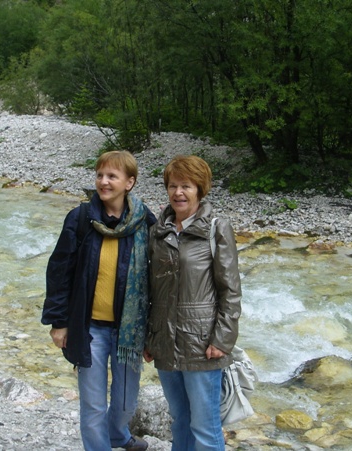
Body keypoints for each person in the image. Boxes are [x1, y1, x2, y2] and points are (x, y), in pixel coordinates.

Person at [42, 150, 156, 451]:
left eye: (112, 176)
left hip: (129, 331)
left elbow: (156, 279)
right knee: (93, 405)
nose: (103, 182)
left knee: (125, 401)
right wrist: (59, 322)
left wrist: (154, 332)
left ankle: (117, 434)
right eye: (100, 175)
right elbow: (59, 271)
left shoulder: (144, 221)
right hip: (89, 327)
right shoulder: (81, 219)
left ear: (129, 183)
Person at [144, 155, 242, 451]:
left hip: (202, 344)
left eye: (186, 186)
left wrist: (222, 339)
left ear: (200, 189)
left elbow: (230, 290)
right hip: (165, 340)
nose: (178, 193)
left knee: (205, 425)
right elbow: (151, 290)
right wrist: (149, 337)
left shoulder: (216, 228)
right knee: (180, 420)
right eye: (173, 186)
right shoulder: (157, 231)